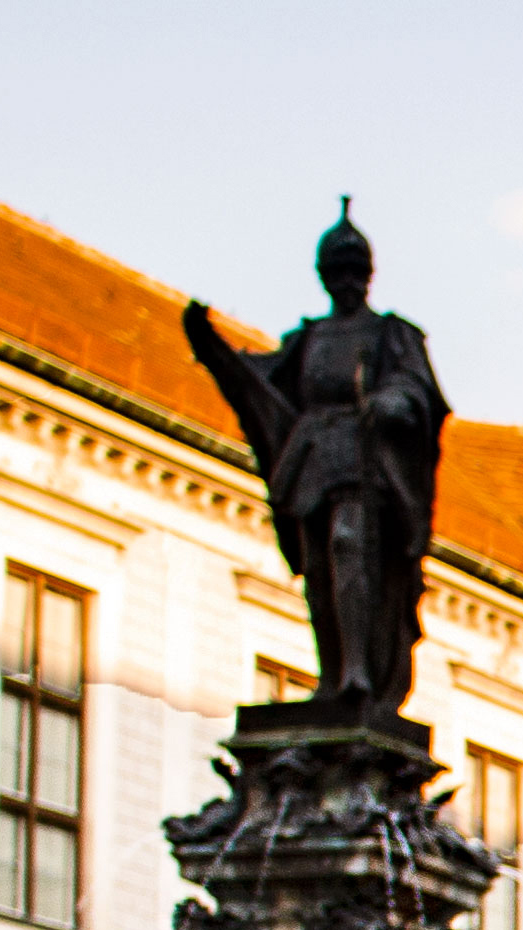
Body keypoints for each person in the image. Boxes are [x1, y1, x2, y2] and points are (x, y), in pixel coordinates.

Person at [183, 206, 447, 721]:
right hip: (312, 456)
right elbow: (259, 381)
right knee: (320, 565)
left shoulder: (392, 334)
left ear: (368, 277)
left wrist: (396, 400)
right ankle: (332, 676)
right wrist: (211, 347)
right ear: (324, 278)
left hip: (365, 455)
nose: (347, 284)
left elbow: (418, 388)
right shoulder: (307, 338)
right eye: (337, 274)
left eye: (355, 273)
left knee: (351, 546)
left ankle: (358, 671)